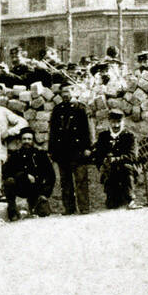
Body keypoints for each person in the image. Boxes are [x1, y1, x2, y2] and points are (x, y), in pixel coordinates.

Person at [48, 81, 93, 215]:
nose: (65, 95)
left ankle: (84, 208)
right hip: (62, 151)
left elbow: (89, 130)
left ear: (74, 92)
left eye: (68, 92)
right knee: (65, 182)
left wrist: (88, 147)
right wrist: (51, 150)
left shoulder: (81, 108)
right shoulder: (58, 109)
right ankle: (69, 208)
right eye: (63, 92)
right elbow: (53, 132)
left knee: (81, 180)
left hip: (78, 150)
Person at [2, 127, 55, 221]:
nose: (27, 141)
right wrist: (24, 175)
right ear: (20, 141)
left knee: (44, 215)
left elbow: (51, 175)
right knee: (9, 182)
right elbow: (6, 173)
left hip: (37, 189)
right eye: (24, 139)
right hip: (21, 187)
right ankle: (13, 210)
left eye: (29, 139)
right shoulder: (15, 155)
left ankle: (36, 204)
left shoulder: (41, 155)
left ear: (33, 140)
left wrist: (44, 193)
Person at [93, 109, 138, 209]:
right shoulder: (103, 136)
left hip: (126, 170)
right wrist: (102, 162)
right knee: (112, 205)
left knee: (126, 168)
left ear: (123, 122)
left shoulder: (129, 136)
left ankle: (131, 200)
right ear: (109, 122)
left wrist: (116, 159)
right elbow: (98, 154)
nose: (116, 125)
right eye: (113, 122)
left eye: (119, 122)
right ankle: (111, 197)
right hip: (109, 171)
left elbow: (133, 156)